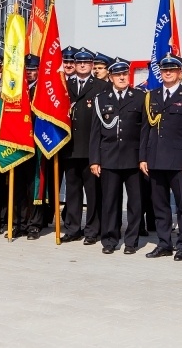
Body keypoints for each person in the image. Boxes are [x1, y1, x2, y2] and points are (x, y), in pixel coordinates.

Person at [140, 54, 182, 261]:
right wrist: (143, 157)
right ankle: (164, 243)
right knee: (160, 205)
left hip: (179, 162)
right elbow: (146, 130)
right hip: (155, 159)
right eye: (164, 70)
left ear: (179, 72)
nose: (168, 73)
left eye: (172, 70)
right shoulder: (152, 96)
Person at [90, 58, 144, 255]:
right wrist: (95, 160)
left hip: (133, 158)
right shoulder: (101, 99)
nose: (122, 77)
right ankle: (109, 240)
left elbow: (144, 131)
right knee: (110, 202)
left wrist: (143, 158)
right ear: (111, 77)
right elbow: (95, 132)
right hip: (109, 158)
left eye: (124, 74)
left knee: (135, 203)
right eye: (118, 74)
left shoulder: (139, 97)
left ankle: (131, 241)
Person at [60, 47, 108, 244]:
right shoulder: (65, 84)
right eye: (79, 62)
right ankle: (72, 228)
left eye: (86, 62)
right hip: (69, 147)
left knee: (93, 192)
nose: (81, 65)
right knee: (72, 191)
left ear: (91, 65)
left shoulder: (101, 86)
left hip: (91, 148)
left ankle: (92, 230)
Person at [13, 53, 44, 239]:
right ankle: (19, 222)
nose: (30, 73)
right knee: (18, 186)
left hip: (37, 145)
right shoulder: (16, 91)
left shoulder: (43, 91)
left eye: (33, 70)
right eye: (27, 70)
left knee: (35, 186)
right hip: (18, 144)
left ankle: (34, 224)